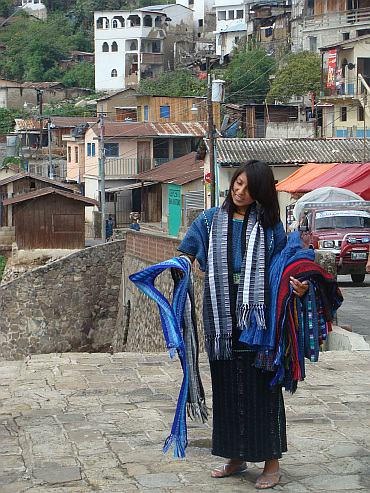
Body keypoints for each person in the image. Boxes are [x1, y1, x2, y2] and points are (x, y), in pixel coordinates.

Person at [177, 160, 308, 489]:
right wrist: (179, 264)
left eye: (248, 188)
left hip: (258, 319)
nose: (239, 191)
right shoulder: (208, 221)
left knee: (262, 389)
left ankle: (272, 463)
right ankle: (235, 457)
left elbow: (285, 267)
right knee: (226, 387)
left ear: (260, 193)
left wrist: (298, 284)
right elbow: (186, 252)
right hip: (221, 319)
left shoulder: (270, 227)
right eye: (237, 183)